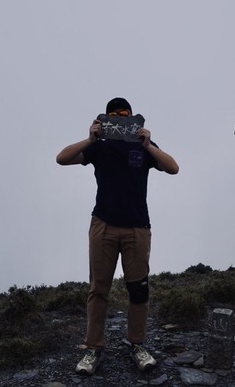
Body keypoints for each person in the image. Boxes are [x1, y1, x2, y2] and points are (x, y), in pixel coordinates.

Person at [56, 97, 179, 375]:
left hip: (137, 227)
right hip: (103, 225)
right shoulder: (99, 148)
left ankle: (137, 345)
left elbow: (173, 168)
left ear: (133, 117)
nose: (119, 118)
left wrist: (148, 144)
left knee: (138, 289)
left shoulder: (143, 147)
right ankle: (93, 349)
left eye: (124, 114)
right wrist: (89, 138)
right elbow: (61, 158)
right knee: (98, 289)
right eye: (114, 115)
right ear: (105, 118)